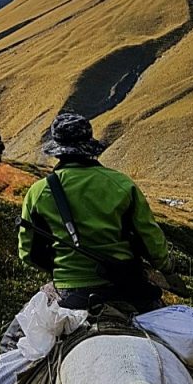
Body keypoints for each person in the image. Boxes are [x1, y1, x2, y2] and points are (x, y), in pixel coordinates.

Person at [17, 111, 175, 313]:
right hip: (126, 286)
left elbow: (28, 253)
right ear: (89, 146)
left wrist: (64, 269)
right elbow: (150, 239)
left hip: (68, 291)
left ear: (57, 151)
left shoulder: (38, 192)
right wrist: (166, 266)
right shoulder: (121, 184)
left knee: (12, 341)